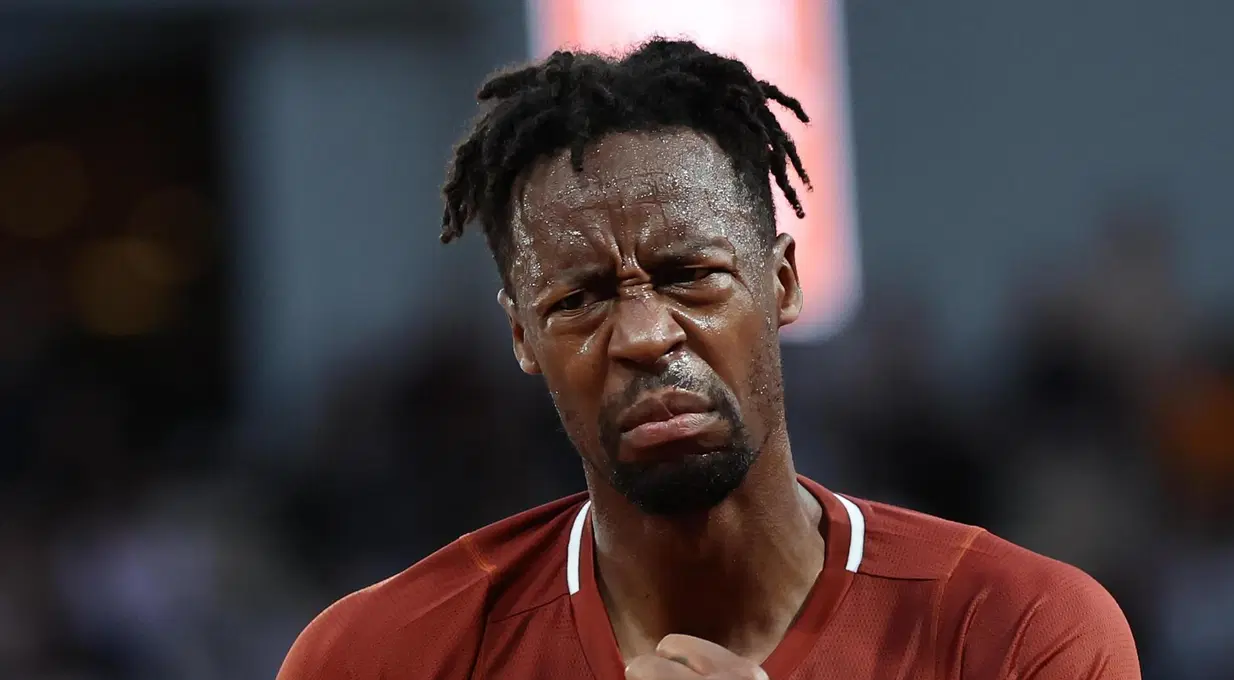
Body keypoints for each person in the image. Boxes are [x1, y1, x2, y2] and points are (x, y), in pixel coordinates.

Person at [276, 39, 1141, 680]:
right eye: (579, 300)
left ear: (783, 283)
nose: (644, 335)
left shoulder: (1017, 633)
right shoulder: (378, 657)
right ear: (521, 339)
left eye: (690, 276)